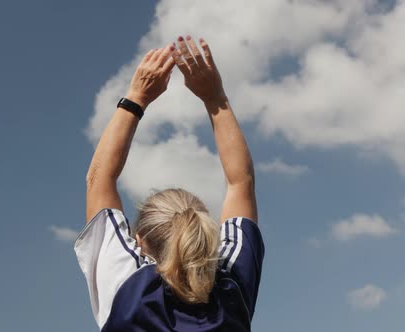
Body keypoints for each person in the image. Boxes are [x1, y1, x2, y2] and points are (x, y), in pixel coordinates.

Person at [75, 35, 264, 331]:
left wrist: (136, 96)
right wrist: (216, 99)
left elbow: (98, 179)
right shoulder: (232, 290)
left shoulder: (127, 286)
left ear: (139, 241)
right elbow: (241, 183)